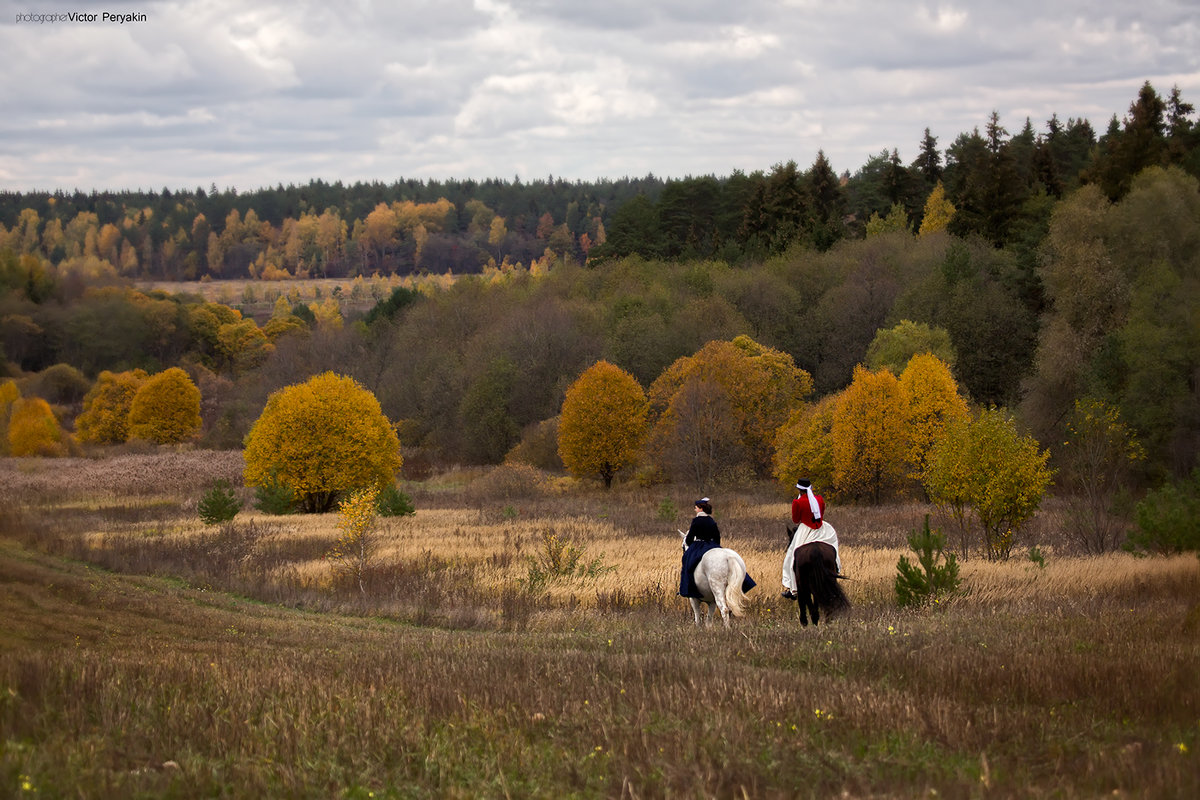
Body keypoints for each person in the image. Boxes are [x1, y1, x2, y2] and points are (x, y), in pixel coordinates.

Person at [781, 479, 841, 599]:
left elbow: (796, 520)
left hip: (805, 530)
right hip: (822, 529)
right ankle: (837, 567)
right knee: (833, 545)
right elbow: (822, 513)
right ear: (811, 488)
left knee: (791, 556)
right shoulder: (819, 499)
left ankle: (792, 589)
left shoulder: (797, 502)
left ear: (799, 489)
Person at [679, 497, 722, 599]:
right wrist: (716, 546)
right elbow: (717, 536)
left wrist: (690, 543)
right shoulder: (711, 521)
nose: (695, 509)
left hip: (699, 545)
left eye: (696, 508)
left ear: (700, 509)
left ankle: (687, 589)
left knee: (686, 560)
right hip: (712, 544)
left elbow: (690, 537)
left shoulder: (696, 521)